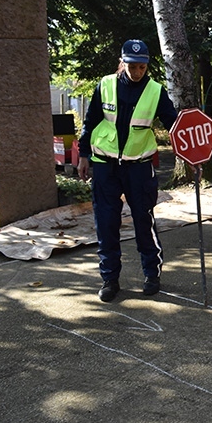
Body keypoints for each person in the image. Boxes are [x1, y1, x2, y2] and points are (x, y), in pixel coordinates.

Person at [77, 39, 178, 302]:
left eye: (142, 67)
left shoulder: (156, 91)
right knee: (107, 224)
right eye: (132, 67)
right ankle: (110, 279)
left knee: (144, 221)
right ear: (123, 63)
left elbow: (174, 125)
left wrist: (192, 156)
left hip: (139, 168)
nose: (137, 72)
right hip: (104, 166)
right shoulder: (106, 85)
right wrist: (84, 155)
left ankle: (151, 275)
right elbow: (90, 122)